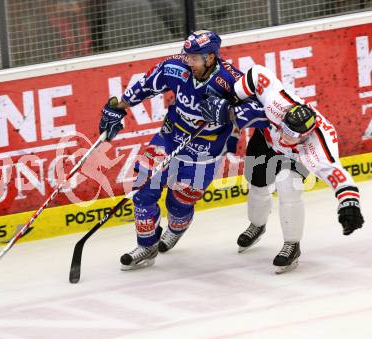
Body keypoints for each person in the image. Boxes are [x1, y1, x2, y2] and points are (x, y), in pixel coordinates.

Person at [98, 30, 268, 270]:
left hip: (205, 153)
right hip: (169, 138)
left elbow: (259, 111)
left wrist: (228, 112)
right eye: (186, 55)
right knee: (143, 188)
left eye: (194, 57)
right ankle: (146, 246)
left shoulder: (232, 81)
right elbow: (145, 86)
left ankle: (177, 227)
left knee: (179, 203)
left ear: (210, 58)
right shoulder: (174, 67)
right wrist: (118, 107)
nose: (188, 61)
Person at [199, 65, 365, 273]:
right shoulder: (278, 103)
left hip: (293, 157)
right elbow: (257, 74)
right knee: (257, 185)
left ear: (306, 135)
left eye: (293, 134)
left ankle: (292, 245)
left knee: (288, 191)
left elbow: (336, 174)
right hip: (266, 141)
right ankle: (257, 225)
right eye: (285, 127)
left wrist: (349, 204)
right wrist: (234, 96)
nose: (286, 135)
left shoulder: (319, 146)